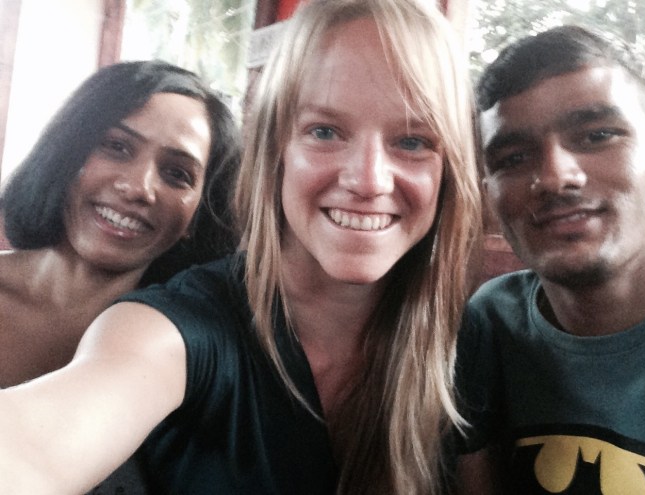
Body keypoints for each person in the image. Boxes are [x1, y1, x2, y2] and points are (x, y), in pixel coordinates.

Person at [0, 0, 482, 494]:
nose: (368, 179)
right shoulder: (181, 326)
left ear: (451, 167)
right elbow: (34, 443)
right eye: (324, 131)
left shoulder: (467, 340)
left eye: (412, 142)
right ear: (275, 152)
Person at [0, 60, 241, 492]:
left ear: (197, 216)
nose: (137, 187)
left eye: (177, 174)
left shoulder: (195, 353)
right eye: (116, 147)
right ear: (68, 153)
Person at [455, 25, 645, 494]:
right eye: (512, 158)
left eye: (598, 135)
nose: (554, 177)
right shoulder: (489, 323)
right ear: (488, 193)